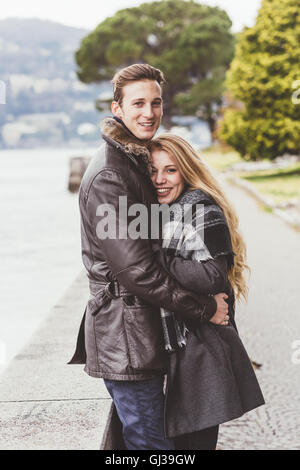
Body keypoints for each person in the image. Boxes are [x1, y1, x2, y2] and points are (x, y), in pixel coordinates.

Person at [68, 63, 231, 450]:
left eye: (155, 103)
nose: (149, 112)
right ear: (117, 108)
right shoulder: (111, 176)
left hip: (138, 332)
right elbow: (136, 271)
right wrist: (203, 308)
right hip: (126, 338)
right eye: (138, 103)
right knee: (152, 446)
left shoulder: (132, 161)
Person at [149, 133, 265, 450]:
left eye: (170, 170)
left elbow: (213, 276)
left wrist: (154, 261)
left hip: (200, 357)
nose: (160, 179)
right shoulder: (157, 213)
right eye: (153, 170)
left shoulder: (201, 208)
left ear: (186, 170)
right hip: (181, 351)